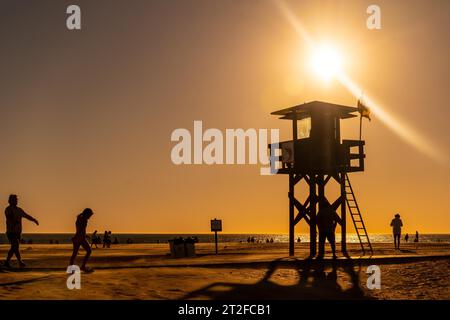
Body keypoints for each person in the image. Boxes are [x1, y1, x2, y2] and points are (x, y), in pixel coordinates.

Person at [4, 194, 39, 268]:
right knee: (15, 245)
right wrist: (14, 222)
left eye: (16, 200)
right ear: (10, 201)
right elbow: (9, 217)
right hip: (11, 232)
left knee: (15, 248)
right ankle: (19, 262)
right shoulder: (8, 209)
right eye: (14, 200)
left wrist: (34, 220)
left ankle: (8, 262)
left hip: (18, 232)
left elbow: (26, 216)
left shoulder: (19, 210)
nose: (16, 201)